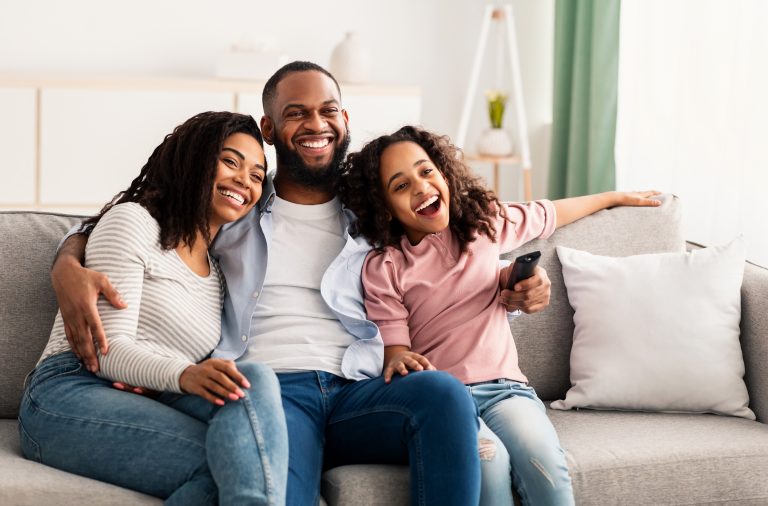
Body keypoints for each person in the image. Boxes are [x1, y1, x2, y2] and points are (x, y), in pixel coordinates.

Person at [53, 62, 550, 505]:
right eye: (296, 113)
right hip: (271, 389)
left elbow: (456, 246)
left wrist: (517, 282)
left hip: (357, 389)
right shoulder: (238, 204)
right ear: (269, 127)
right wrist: (68, 261)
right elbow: (141, 211)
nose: (316, 124)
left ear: (345, 120)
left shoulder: (376, 210)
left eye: (328, 110)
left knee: (442, 394)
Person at [337, 125, 662, 506]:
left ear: (443, 172)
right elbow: (396, 352)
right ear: (384, 206)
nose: (421, 187)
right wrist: (399, 362)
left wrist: (613, 196)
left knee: (544, 465)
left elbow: (549, 213)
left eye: (426, 172)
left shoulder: (483, 225)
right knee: (489, 466)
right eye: (401, 185)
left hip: (507, 391)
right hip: (446, 403)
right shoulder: (385, 267)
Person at [19, 112, 289, 505]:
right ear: (195, 159)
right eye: (230, 161)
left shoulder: (217, 274)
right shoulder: (134, 223)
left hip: (150, 396)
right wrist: (184, 374)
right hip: (70, 389)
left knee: (254, 382)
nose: (244, 181)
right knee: (227, 465)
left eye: (256, 174)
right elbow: (104, 353)